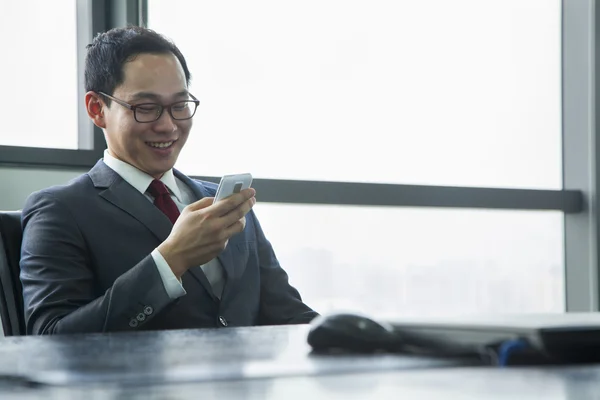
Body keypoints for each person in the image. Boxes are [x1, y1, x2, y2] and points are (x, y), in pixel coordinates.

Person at [19, 26, 318, 335]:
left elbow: (288, 314)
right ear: (97, 109)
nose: (168, 125)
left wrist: (355, 334)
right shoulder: (59, 210)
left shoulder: (224, 204)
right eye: (146, 108)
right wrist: (171, 259)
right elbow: (51, 338)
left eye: (179, 106)